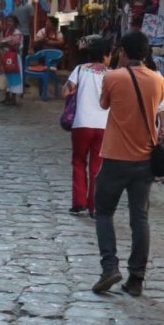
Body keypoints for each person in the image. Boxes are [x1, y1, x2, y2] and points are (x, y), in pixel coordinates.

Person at [93, 31, 164, 295]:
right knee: (140, 218)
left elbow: (104, 105)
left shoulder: (112, 77)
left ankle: (109, 267)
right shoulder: (159, 81)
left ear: (123, 52)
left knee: (103, 213)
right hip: (145, 159)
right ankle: (136, 278)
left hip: (115, 156)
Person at [65, 37, 110, 216]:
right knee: (97, 166)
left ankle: (78, 202)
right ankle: (94, 206)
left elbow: (65, 91)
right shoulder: (111, 74)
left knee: (78, 161)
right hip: (103, 125)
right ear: (106, 55)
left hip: (81, 123)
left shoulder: (80, 70)